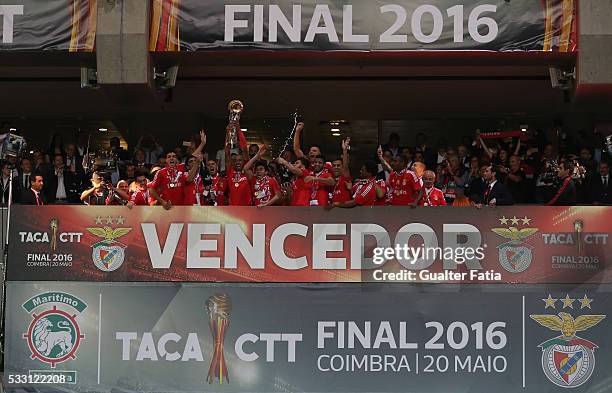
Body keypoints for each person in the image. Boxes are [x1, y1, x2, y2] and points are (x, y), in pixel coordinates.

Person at [149, 130, 206, 206]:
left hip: (181, 207)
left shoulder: (181, 167)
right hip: (168, 207)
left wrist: (202, 144)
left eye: (174, 156)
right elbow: (151, 189)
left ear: (176, 159)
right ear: (166, 160)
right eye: (169, 157)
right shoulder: (160, 172)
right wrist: (162, 202)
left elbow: (193, 156)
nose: (171, 158)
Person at [225, 123, 253, 206]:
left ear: (244, 161)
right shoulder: (230, 171)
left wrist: (238, 128)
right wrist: (228, 133)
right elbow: (227, 151)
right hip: (233, 209)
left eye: (240, 160)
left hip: (247, 208)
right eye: (235, 160)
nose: (237, 162)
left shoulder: (247, 171)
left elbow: (244, 148)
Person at [331, 138, 352, 204]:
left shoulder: (345, 177)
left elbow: (345, 167)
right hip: (331, 210)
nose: (336, 167)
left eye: (338, 165)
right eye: (334, 166)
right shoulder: (330, 179)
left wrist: (344, 150)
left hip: (344, 210)